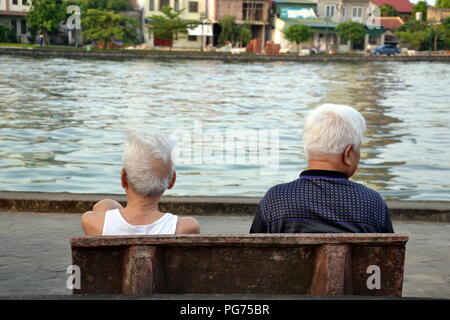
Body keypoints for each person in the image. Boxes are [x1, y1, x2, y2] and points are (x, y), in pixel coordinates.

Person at [250, 104, 394, 234]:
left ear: (308, 148)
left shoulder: (276, 199)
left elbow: (254, 254)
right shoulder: (372, 203)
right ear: (348, 153)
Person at [81, 131, 200, 235]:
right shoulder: (186, 227)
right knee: (106, 204)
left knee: (104, 205)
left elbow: (104, 213)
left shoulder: (91, 222)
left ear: (123, 178)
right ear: (172, 180)